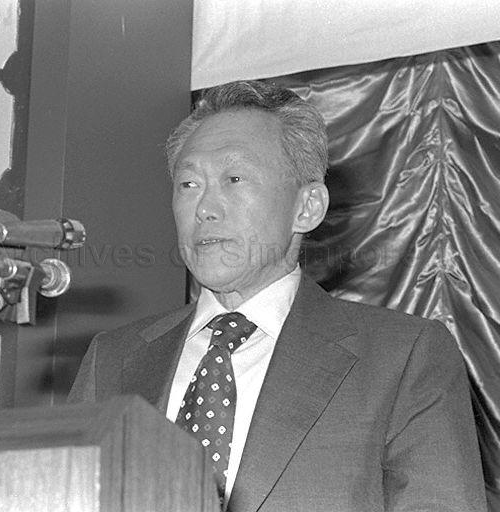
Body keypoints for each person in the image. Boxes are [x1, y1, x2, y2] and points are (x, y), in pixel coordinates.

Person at [68, 80, 487, 511]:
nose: (205, 208)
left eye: (234, 179)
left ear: (307, 207)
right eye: (188, 184)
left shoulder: (403, 357)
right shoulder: (112, 359)